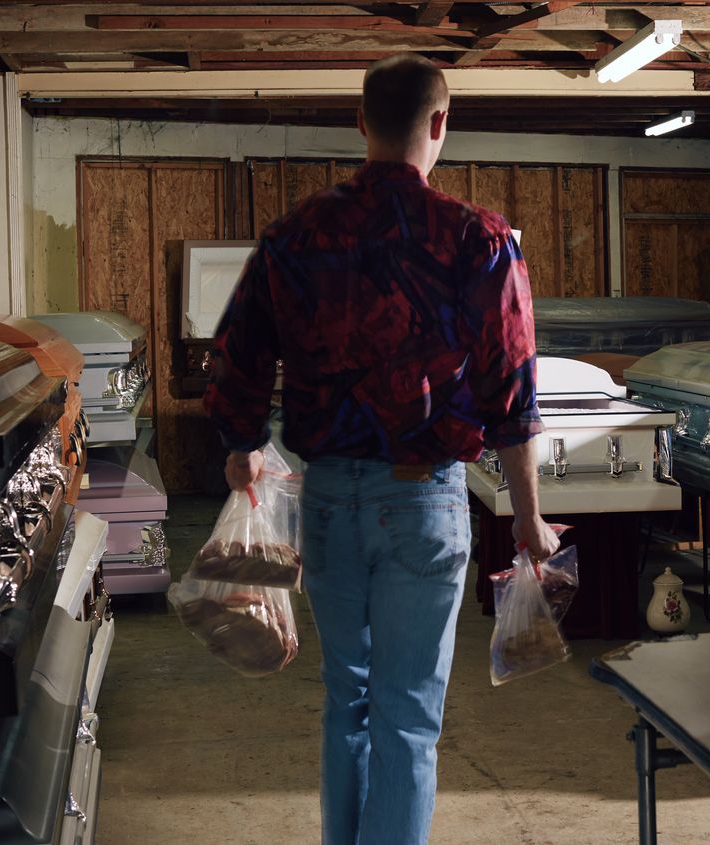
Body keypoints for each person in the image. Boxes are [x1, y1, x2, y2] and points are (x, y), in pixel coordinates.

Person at [203, 54, 561, 845]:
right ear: (440, 125)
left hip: (327, 500)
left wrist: (243, 447)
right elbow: (512, 390)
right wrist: (529, 517)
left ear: (360, 122)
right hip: (424, 499)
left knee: (349, 701)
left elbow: (233, 362)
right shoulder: (481, 240)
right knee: (406, 715)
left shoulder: (294, 236)